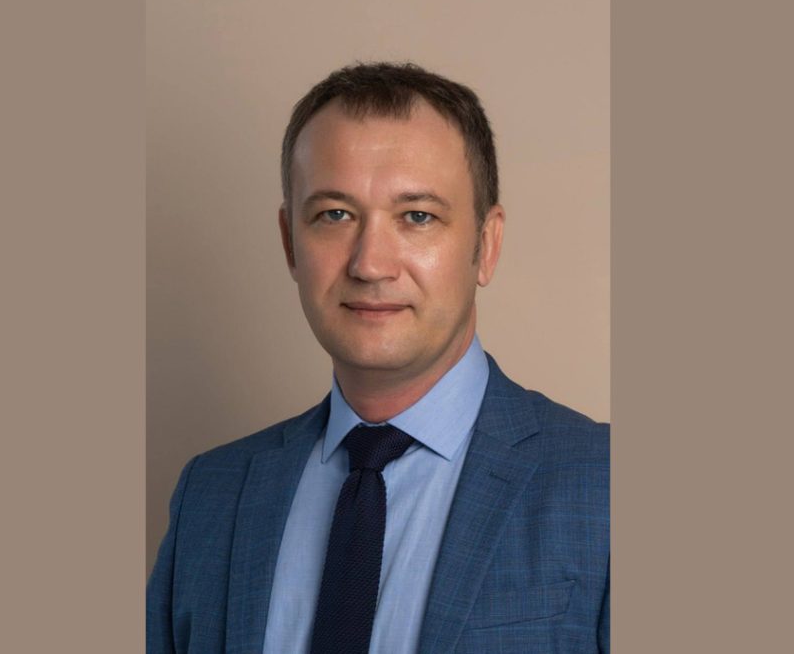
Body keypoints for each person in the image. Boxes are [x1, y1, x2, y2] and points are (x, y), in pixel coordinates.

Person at [147, 62, 609, 654]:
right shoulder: (210, 496)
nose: (370, 264)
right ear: (290, 244)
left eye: (417, 216)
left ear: (486, 245)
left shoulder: (605, 488)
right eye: (335, 215)